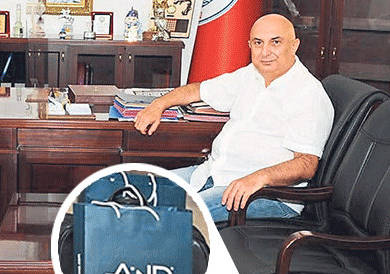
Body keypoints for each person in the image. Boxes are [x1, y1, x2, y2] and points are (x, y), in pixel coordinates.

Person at [134, 14, 334, 222]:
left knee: (168, 220)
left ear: (294, 46)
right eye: (258, 43)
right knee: (133, 189)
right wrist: (158, 105)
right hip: (213, 174)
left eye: (275, 42)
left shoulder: (308, 93)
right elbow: (197, 90)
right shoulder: (250, 75)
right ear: (250, 46)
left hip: (265, 194)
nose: (265, 52)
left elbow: (306, 164)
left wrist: (259, 178)